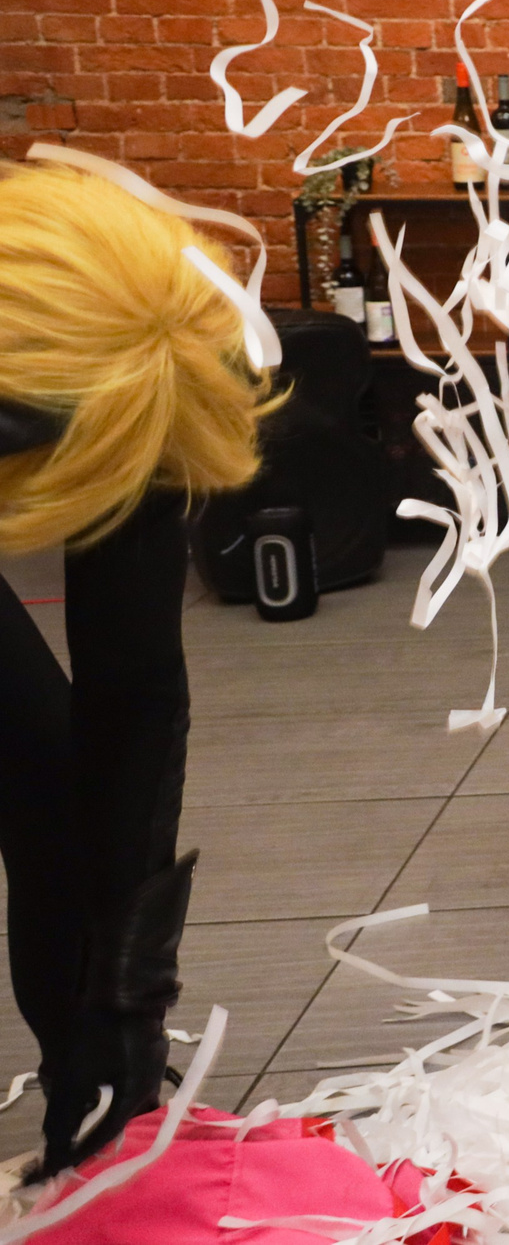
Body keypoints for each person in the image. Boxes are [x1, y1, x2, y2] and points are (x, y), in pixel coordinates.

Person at [0, 162, 270, 1175]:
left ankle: (94, 1105)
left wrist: (125, 1008)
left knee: (48, 774)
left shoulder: (148, 361)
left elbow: (136, 691)